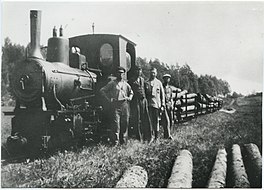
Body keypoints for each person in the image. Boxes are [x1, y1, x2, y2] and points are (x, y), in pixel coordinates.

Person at [100, 66, 134, 145]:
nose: (120, 75)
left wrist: (129, 98)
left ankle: (123, 142)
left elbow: (131, 92)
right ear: (116, 74)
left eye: (122, 73)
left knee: (125, 123)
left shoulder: (126, 84)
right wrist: (109, 99)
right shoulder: (112, 83)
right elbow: (102, 91)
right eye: (118, 73)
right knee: (116, 125)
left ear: (124, 74)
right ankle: (115, 142)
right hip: (115, 106)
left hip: (125, 105)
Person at [145, 68, 173, 141]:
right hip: (149, 104)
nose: (152, 74)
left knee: (156, 121)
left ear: (156, 73)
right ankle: (151, 136)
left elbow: (162, 95)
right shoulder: (147, 82)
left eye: (154, 73)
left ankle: (156, 137)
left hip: (157, 104)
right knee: (150, 121)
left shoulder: (158, 83)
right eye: (151, 73)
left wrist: (163, 105)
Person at [129, 65, 152, 142]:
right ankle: (138, 138)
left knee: (146, 119)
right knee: (137, 120)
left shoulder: (142, 80)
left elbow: (146, 90)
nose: (138, 72)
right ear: (134, 71)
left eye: (140, 70)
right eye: (137, 70)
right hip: (136, 102)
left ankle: (148, 137)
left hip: (143, 101)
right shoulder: (131, 81)